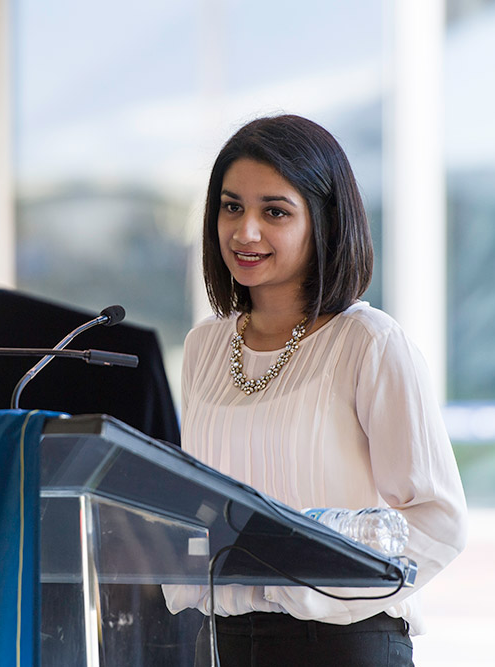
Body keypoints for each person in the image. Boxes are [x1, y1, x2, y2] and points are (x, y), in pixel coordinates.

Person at [163, 114, 468, 666]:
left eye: (274, 212)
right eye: (231, 207)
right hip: (220, 644)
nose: (245, 231)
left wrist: (312, 583)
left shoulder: (370, 343)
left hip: (340, 644)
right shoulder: (204, 347)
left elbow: (439, 521)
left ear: (324, 222)